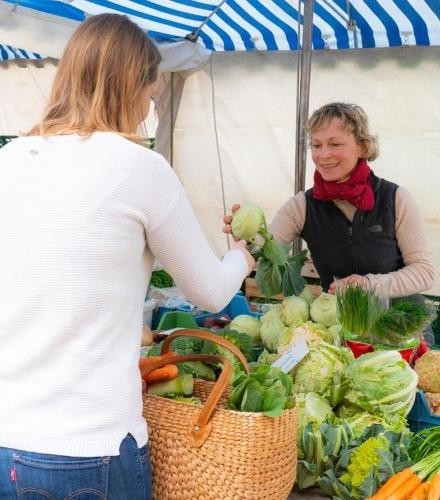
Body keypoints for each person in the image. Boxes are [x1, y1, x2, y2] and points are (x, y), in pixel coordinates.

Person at [0, 13, 254, 500]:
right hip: (88, 450)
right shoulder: (140, 168)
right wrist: (242, 258)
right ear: (131, 86)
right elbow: (210, 291)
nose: (147, 108)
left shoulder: (10, 159)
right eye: (150, 95)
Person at [224, 102, 434, 304]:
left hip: (403, 326)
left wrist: (370, 284)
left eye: (335, 144)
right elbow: (266, 248)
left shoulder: (395, 198)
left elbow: (424, 271)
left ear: (362, 146)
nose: (323, 155)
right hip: (340, 326)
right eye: (316, 145)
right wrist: (247, 239)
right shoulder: (302, 206)